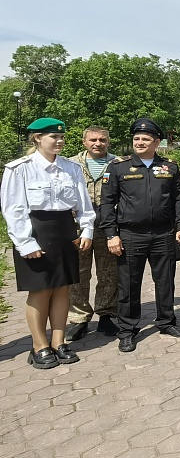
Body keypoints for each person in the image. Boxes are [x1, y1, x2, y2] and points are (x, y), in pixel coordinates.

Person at [1, 118, 95, 368]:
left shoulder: (71, 168)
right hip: (36, 231)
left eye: (61, 137)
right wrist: (25, 242)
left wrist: (87, 230)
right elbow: (13, 209)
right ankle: (39, 346)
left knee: (63, 288)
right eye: (53, 137)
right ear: (37, 138)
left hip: (64, 229)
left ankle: (58, 341)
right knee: (41, 290)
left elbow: (83, 203)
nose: (59, 141)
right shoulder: (20, 168)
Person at [100, 118, 180, 353]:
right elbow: (107, 203)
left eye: (145, 139)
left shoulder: (170, 167)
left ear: (156, 142)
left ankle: (167, 322)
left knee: (165, 281)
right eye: (137, 138)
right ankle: (127, 330)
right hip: (130, 234)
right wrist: (111, 234)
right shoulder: (119, 167)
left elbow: (178, 199)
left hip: (163, 233)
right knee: (129, 284)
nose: (140, 142)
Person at [65, 126, 119, 341]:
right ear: (84, 141)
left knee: (109, 272)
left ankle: (106, 314)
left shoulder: (117, 163)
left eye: (103, 140)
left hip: (108, 226)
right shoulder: (70, 164)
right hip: (78, 226)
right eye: (93, 140)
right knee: (78, 273)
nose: (98, 143)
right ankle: (79, 318)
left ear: (109, 141)